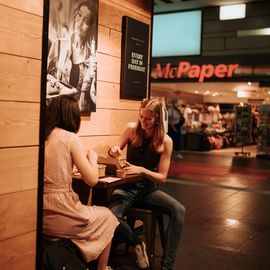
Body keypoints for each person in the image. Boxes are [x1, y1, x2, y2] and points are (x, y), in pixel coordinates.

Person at [107, 98, 186, 270]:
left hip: (147, 190)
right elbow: (114, 153)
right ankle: (136, 244)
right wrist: (113, 150)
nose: (143, 121)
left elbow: (162, 177)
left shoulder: (166, 141)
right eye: (141, 116)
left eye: (148, 119)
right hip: (125, 188)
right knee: (111, 215)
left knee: (179, 210)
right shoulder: (131, 129)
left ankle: (167, 266)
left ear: (157, 118)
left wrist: (142, 170)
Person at [43, 95, 119, 270]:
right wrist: (92, 158)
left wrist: (68, 171)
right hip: (62, 214)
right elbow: (92, 179)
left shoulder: (42, 135)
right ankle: (102, 268)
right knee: (108, 216)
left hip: (40, 213)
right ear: (72, 116)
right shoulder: (70, 138)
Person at [47, 0, 97, 112]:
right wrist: (54, 83)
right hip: (56, 111)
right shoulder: (58, 45)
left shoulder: (92, 57)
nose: (79, 22)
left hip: (78, 115)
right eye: (79, 15)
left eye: (85, 20)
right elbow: (45, 76)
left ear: (90, 26)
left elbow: (93, 96)